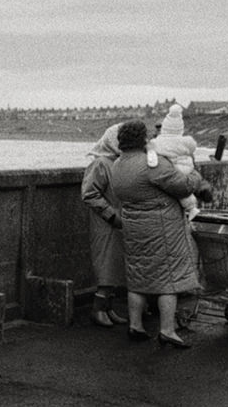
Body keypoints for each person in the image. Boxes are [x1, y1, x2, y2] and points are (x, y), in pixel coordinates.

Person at [109, 119, 211, 349]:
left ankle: (135, 325)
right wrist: (195, 175)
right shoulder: (151, 163)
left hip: (133, 226)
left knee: (137, 276)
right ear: (142, 139)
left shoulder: (117, 164)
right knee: (168, 279)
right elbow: (183, 185)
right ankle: (167, 330)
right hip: (161, 228)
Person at [81, 123, 128, 327]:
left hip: (117, 221)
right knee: (106, 267)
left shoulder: (117, 162)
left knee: (114, 267)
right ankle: (97, 310)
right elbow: (89, 194)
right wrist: (111, 215)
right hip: (105, 223)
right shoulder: (100, 163)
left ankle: (107, 308)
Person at [146, 104, 201, 220]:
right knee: (183, 191)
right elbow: (192, 148)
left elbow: (151, 150)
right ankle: (191, 208)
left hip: (172, 171)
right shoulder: (186, 143)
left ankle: (191, 208)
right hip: (186, 167)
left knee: (179, 190)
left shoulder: (157, 144)